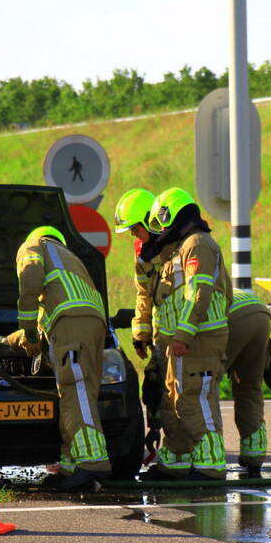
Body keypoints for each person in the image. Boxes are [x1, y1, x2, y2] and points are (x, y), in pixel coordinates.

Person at [6, 225, 110, 490]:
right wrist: (11, 340)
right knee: (77, 393)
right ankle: (71, 463)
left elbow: (30, 279)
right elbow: (47, 323)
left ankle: (91, 463)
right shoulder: (70, 262)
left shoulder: (34, 245)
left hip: (72, 325)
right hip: (92, 324)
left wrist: (27, 328)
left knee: (76, 391)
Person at [139, 188, 231, 481]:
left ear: (173, 215)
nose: (162, 231)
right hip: (182, 340)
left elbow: (198, 294)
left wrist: (183, 335)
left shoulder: (198, 244)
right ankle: (176, 460)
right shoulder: (182, 248)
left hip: (198, 338)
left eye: (163, 223)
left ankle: (211, 464)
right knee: (173, 400)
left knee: (195, 397)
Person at [113, 189, 190, 470]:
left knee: (179, 394)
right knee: (156, 386)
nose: (134, 236)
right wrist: (140, 333)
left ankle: (179, 451)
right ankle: (166, 443)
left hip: (183, 335)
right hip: (162, 334)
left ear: (149, 220)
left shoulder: (180, 245)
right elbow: (143, 294)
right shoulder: (143, 255)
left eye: (135, 229)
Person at [225, 289, 271, 478]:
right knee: (250, 387)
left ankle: (206, 460)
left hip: (233, 319)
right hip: (259, 312)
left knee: (203, 389)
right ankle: (254, 458)